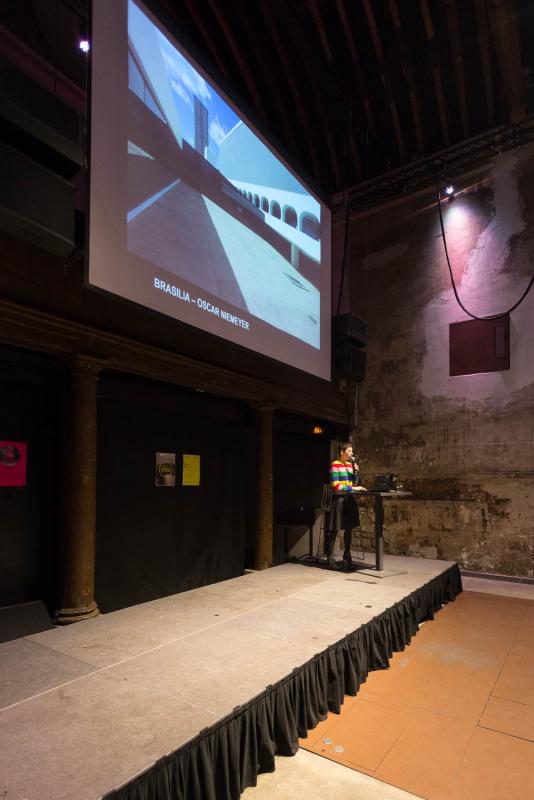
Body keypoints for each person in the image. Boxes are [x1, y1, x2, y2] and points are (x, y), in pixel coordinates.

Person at [325, 443, 366, 569]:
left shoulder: (349, 464)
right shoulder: (334, 465)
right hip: (338, 499)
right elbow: (336, 486)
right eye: (349, 451)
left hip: (349, 499)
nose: (351, 453)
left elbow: (353, 482)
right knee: (334, 529)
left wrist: (356, 472)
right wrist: (354, 487)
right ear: (342, 452)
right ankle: (330, 557)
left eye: (352, 451)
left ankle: (347, 555)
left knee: (349, 528)